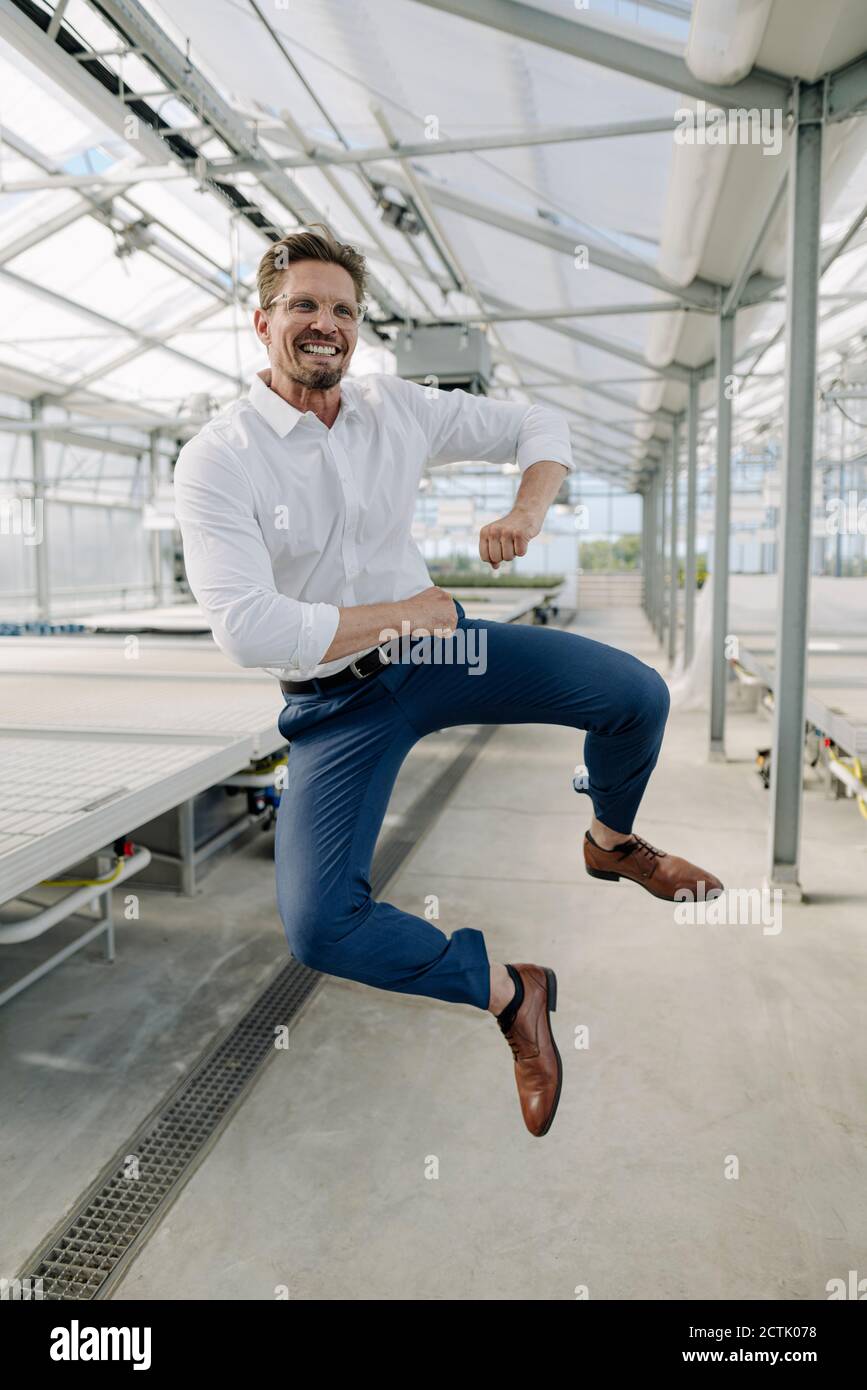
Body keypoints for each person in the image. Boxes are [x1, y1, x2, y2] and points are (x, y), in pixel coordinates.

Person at [173, 225, 722, 1138]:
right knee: (323, 929)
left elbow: (540, 424)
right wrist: (401, 616)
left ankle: (611, 841)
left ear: (358, 327)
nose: (326, 324)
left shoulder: (394, 408)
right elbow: (250, 628)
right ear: (261, 319)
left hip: (436, 654)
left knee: (636, 696)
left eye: (343, 310)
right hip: (335, 700)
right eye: (304, 305)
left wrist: (525, 507)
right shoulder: (220, 457)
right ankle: (514, 996)